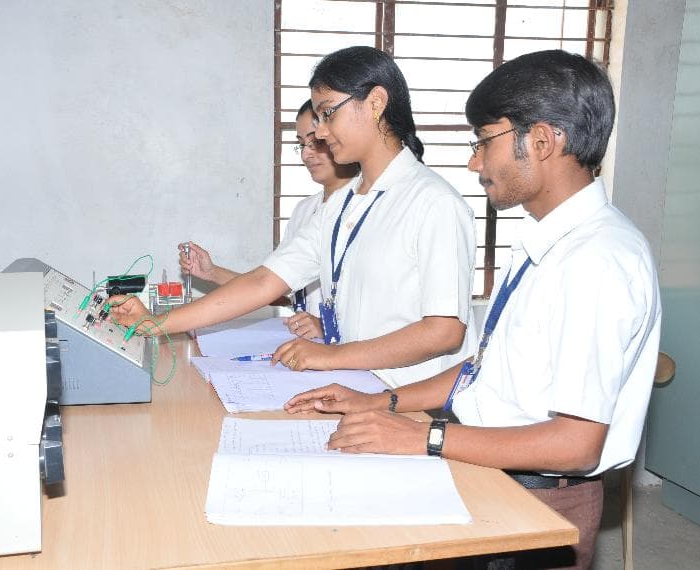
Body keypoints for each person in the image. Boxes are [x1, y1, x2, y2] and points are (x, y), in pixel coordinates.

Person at [284, 50, 661, 570]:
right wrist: (384, 403)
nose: (474, 162)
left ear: (543, 141)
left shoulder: (596, 259)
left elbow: (576, 444)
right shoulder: (544, 240)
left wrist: (424, 435)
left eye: (485, 142)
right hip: (485, 464)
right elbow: (485, 370)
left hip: (536, 496)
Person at [111, 46, 477, 388]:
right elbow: (263, 283)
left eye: (328, 112)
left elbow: (444, 331)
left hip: (415, 404)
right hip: (357, 389)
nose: (319, 131)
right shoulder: (342, 204)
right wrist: (157, 323)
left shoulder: (434, 204)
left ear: (376, 103)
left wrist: (334, 355)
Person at [178, 99, 359, 340]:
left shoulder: (364, 209)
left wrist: (326, 326)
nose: (306, 154)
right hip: (304, 349)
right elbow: (276, 289)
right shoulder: (305, 211)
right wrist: (212, 273)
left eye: (315, 142)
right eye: (301, 144)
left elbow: (379, 312)